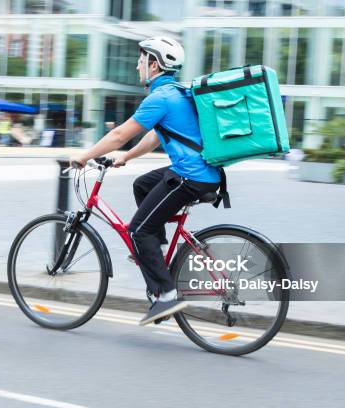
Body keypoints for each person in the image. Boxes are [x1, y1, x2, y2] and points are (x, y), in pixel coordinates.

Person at [70, 36, 222, 326]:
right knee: (142, 185)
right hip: (201, 173)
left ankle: (165, 295)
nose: (137, 66)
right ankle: (155, 248)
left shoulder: (160, 97)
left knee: (138, 230)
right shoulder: (175, 93)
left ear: (154, 64)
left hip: (190, 177)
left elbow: (118, 135)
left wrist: (84, 156)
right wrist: (126, 158)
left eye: (141, 61)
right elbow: (156, 136)